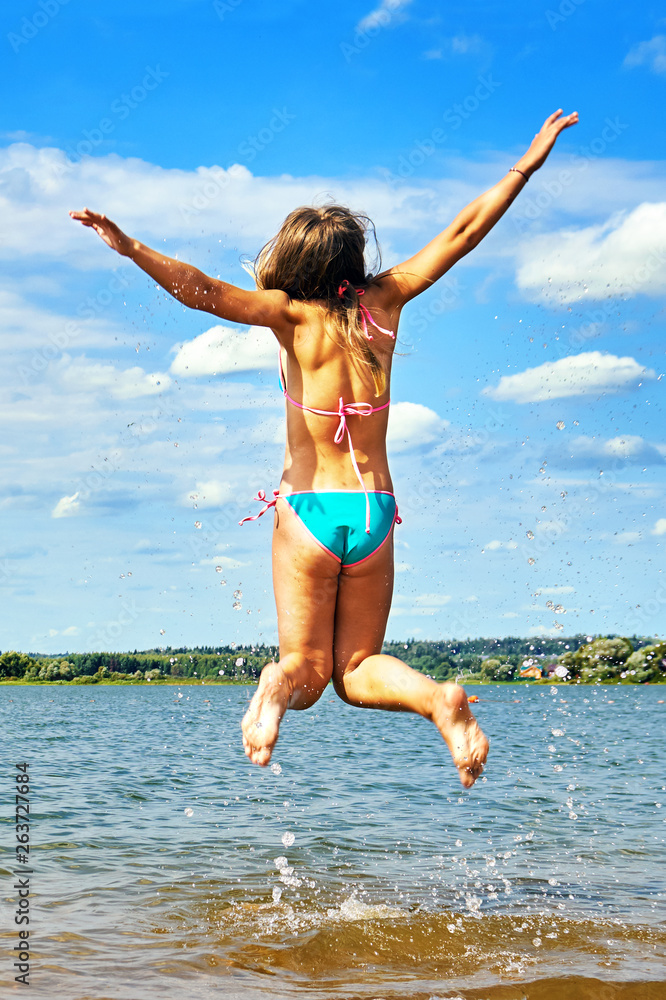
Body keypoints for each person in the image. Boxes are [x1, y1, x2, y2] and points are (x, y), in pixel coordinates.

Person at [70, 108, 578, 787]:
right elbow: (464, 231)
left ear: (294, 258)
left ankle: (274, 691)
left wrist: (131, 248)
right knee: (358, 668)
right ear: (353, 261)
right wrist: (528, 161)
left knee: (308, 672)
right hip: (372, 512)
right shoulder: (388, 301)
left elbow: (203, 292)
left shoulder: (288, 315)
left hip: (308, 509)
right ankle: (438, 700)